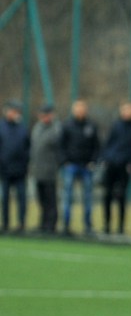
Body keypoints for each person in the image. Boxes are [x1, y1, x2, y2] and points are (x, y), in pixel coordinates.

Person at [59, 99, 101, 235]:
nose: (80, 112)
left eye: (82, 109)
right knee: (67, 196)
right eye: (77, 109)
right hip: (71, 166)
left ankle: (88, 225)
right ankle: (66, 225)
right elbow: (61, 145)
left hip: (86, 167)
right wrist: (65, 161)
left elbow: (97, 146)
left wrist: (93, 161)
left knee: (88, 197)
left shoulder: (91, 126)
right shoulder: (67, 125)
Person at [100, 101, 131, 235]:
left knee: (121, 196)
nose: (126, 113)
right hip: (112, 163)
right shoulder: (116, 126)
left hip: (124, 166)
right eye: (124, 110)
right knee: (107, 194)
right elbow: (109, 143)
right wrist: (106, 158)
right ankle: (107, 225)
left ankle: (120, 227)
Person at [29, 104, 61, 234]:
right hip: (37, 170)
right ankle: (43, 223)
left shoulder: (56, 129)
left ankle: (51, 225)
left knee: (50, 200)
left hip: (50, 171)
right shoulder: (37, 128)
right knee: (41, 199)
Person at [0, 100, 31, 234]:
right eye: (13, 111)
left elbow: (27, 148)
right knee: (5, 199)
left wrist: (25, 164)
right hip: (5, 170)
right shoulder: (1, 127)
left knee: (22, 198)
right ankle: (5, 224)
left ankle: (21, 224)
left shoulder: (23, 128)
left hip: (20, 171)